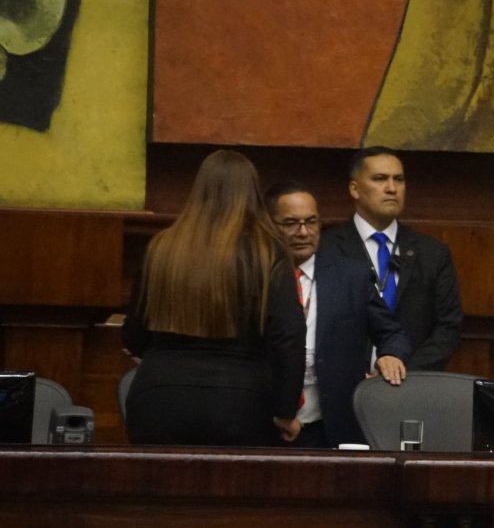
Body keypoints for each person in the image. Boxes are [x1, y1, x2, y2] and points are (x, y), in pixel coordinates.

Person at [122, 150, 305, 446]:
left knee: (159, 491)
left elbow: (134, 332)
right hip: (242, 400)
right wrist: (285, 411)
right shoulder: (268, 252)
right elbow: (288, 336)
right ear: (252, 193)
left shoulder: (162, 247)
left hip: (158, 395)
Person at [265, 181, 413, 448]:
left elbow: (391, 332)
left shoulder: (351, 276)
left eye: (311, 222)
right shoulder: (256, 278)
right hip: (264, 424)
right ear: (269, 225)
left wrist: (391, 353)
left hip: (330, 428)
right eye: (291, 223)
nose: (303, 232)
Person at [319, 146, 463, 370]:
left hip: (412, 387)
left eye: (399, 179)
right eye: (380, 179)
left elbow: (448, 328)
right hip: (345, 385)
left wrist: (402, 373)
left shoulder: (432, 253)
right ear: (354, 189)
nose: (392, 188)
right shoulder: (326, 249)